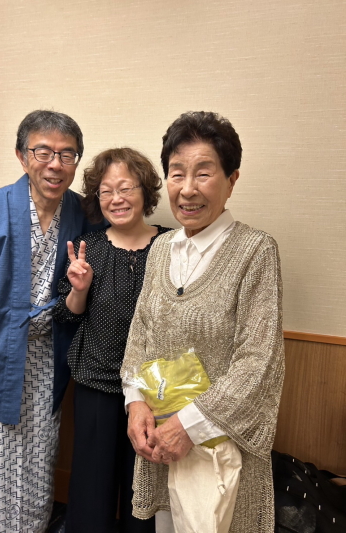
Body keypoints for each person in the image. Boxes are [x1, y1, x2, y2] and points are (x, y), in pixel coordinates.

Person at [121, 111, 285, 533]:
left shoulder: (255, 251)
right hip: (161, 441)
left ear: (232, 180)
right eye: (177, 173)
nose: (188, 188)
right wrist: (135, 402)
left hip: (219, 447)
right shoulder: (161, 249)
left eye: (204, 173)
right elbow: (140, 333)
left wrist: (189, 425)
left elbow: (258, 362)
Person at [0, 110, 104, 532]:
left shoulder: (80, 212)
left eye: (67, 154)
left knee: (39, 446)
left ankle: (32, 523)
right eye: (43, 152)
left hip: (48, 351)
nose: (55, 164)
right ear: (22, 156)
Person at [52, 147, 171, 533]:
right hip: (97, 383)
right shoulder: (89, 246)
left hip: (155, 391)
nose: (116, 198)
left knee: (145, 489)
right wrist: (79, 288)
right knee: (92, 487)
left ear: (145, 191)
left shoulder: (172, 246)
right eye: (106, 191)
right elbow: (67, 314)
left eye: (126, 188)